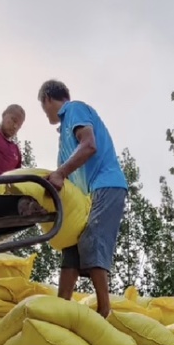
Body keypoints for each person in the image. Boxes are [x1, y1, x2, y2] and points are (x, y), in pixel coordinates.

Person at [38, 80, 127, 318]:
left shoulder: (74, 109)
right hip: (86, 196)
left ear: (47, 98)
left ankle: (104, 308)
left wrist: (60, 173)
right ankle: (62, 305)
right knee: (72, 244)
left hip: (107, 185)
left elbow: (89, 145)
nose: (45, 112)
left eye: (43, 106)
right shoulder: (64, 136)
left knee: (92, 237)